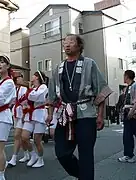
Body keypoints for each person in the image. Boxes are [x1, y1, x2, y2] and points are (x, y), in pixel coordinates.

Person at [47, 34, 112, 180]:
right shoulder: (58, 67)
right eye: (65, 42)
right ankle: (81, 175)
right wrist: (50, 114)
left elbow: (100, 89)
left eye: (71, 41)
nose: (67, 44)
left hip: (86, 114)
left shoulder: (89, 64)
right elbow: (51, 94)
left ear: (79, 46)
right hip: (65, 114)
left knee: (86, 154)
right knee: (62, 153)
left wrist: (100, 115)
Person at [21, 71, 48, 168]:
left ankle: (40, 159)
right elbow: (27, 98)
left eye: (34, 75)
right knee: (24, 136)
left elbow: (35, 97)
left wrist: (29, 91)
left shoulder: (43, 87)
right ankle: (33, 155)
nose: (32, 77)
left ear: (37, 77)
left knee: (37, 140)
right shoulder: (32, 88)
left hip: (39, 114)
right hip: (30, 114)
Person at [8, 73, 29, 167]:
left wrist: (25, 114)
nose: (19, 79)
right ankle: (26, 153)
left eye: (20, 77)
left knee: (18, 135)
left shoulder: (24, 89)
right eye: (17, 78)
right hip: (16, 113)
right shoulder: (14, 89)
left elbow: (25, 103)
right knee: (20, 137)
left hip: (22, 113)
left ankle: (14, 157)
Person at [118, 70, 136, 163]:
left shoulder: (134, 86)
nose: (123, 78)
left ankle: (129, 155)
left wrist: (132, 111)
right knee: (127, 135)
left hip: (132, 113)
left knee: (128, 135)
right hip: (127, 113)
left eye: (124, 76)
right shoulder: (127, 87)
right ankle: (128, 155)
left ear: (127, 76)